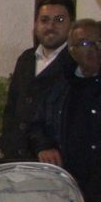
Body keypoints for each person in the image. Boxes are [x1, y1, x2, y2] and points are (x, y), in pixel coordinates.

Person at [1, 0, 74, 160]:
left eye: (59, 20)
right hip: (17, 157)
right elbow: (12, 105)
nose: (50, 26)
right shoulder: (26, 59)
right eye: (44, 20)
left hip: (53, 160)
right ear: (35, 25)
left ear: (71, 25)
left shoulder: (75, 63)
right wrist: (7, 140)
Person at [35, 20, 101, 188]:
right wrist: (45, 146)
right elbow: (37, 125)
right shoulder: (60, 88)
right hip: (71, 181)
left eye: (99, 41)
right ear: (72, 51)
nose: (94, 49)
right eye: (85, 43)